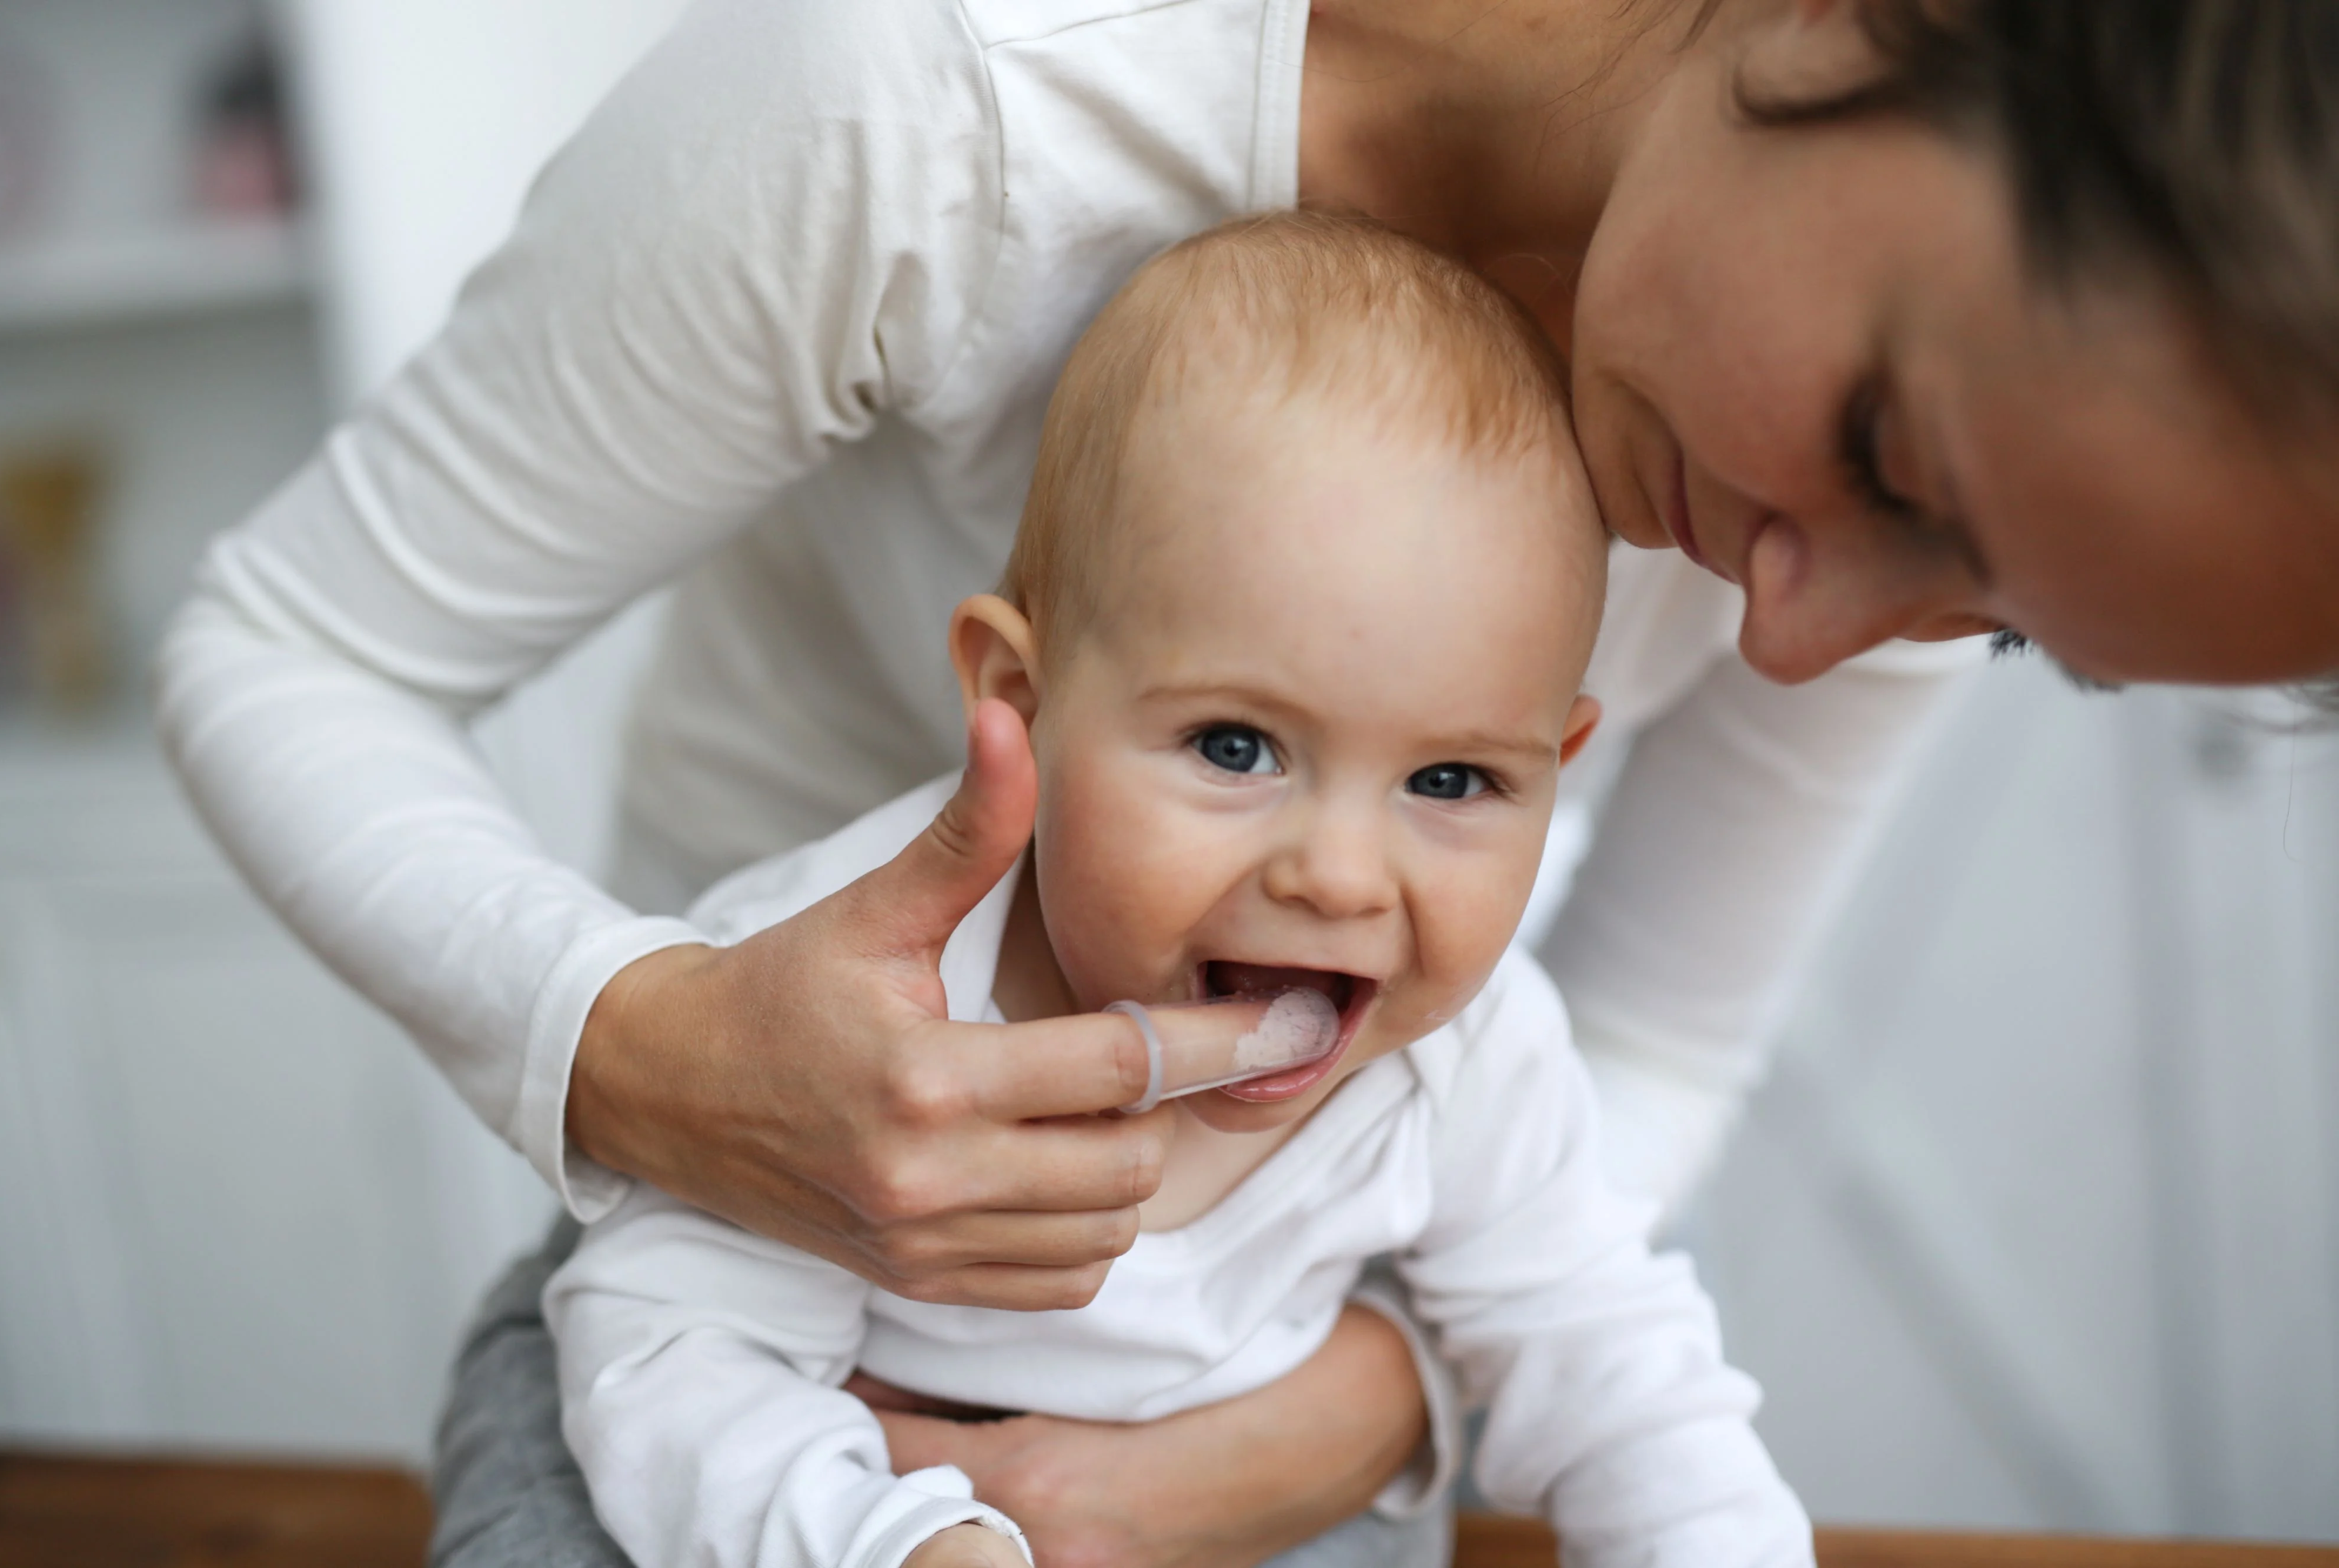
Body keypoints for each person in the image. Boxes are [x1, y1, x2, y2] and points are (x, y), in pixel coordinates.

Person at [153, 1, 2339, 1563]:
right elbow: (290, 651)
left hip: (1286, 1359)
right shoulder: (941, 107)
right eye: (1888, 458)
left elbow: (1646, 1076)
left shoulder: (1875, 567)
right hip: (748, 1250)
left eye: (2004, 619)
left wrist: (1324, 1430)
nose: (1793, 637)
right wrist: (642, 1054)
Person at [547, 210, 1810, 1568]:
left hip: (1266, 1504)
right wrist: (902, 1544)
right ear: (1021, 705)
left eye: (1449, 781)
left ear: (1556, 766)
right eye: (1234, 747)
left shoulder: (1474, 1057)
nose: (1336, 877)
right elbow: (668, 1361)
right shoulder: (849, 1001)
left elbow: (1616, 1365)